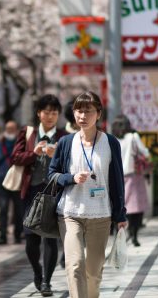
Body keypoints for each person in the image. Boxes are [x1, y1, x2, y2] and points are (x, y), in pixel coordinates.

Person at [48, 91, 127, 298]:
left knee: (93, 272)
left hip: (100, 215)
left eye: (88, 111)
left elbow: (117, 181)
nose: (82, 116)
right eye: (78, 111)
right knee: (74, 266)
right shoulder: (66, 143)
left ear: (98, 114)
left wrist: (121, 215)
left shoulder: (110, 143)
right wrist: (71, 178)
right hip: (69, 212)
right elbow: (52, 174)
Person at [10, 94, 67, 296]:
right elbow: (14, 158)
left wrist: (56, 156)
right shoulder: (28, 133)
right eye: (46, 112)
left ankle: (47, 282)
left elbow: (71, 164)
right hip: (31, 192)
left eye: (54, 112)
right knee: (30, 239)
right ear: (39, 113)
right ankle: (37, 271)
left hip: (54, 192)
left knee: (50, 237)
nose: (50, 116)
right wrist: (34, 153)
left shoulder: (63, 136)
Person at [112, 114, 150, 247]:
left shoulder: (112, 139)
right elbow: (145, 153)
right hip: (133, 175)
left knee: (119, 206)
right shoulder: (133, 137)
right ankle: (134, 235)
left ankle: (119, 235)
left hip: (116, 177)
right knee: (136, 207)